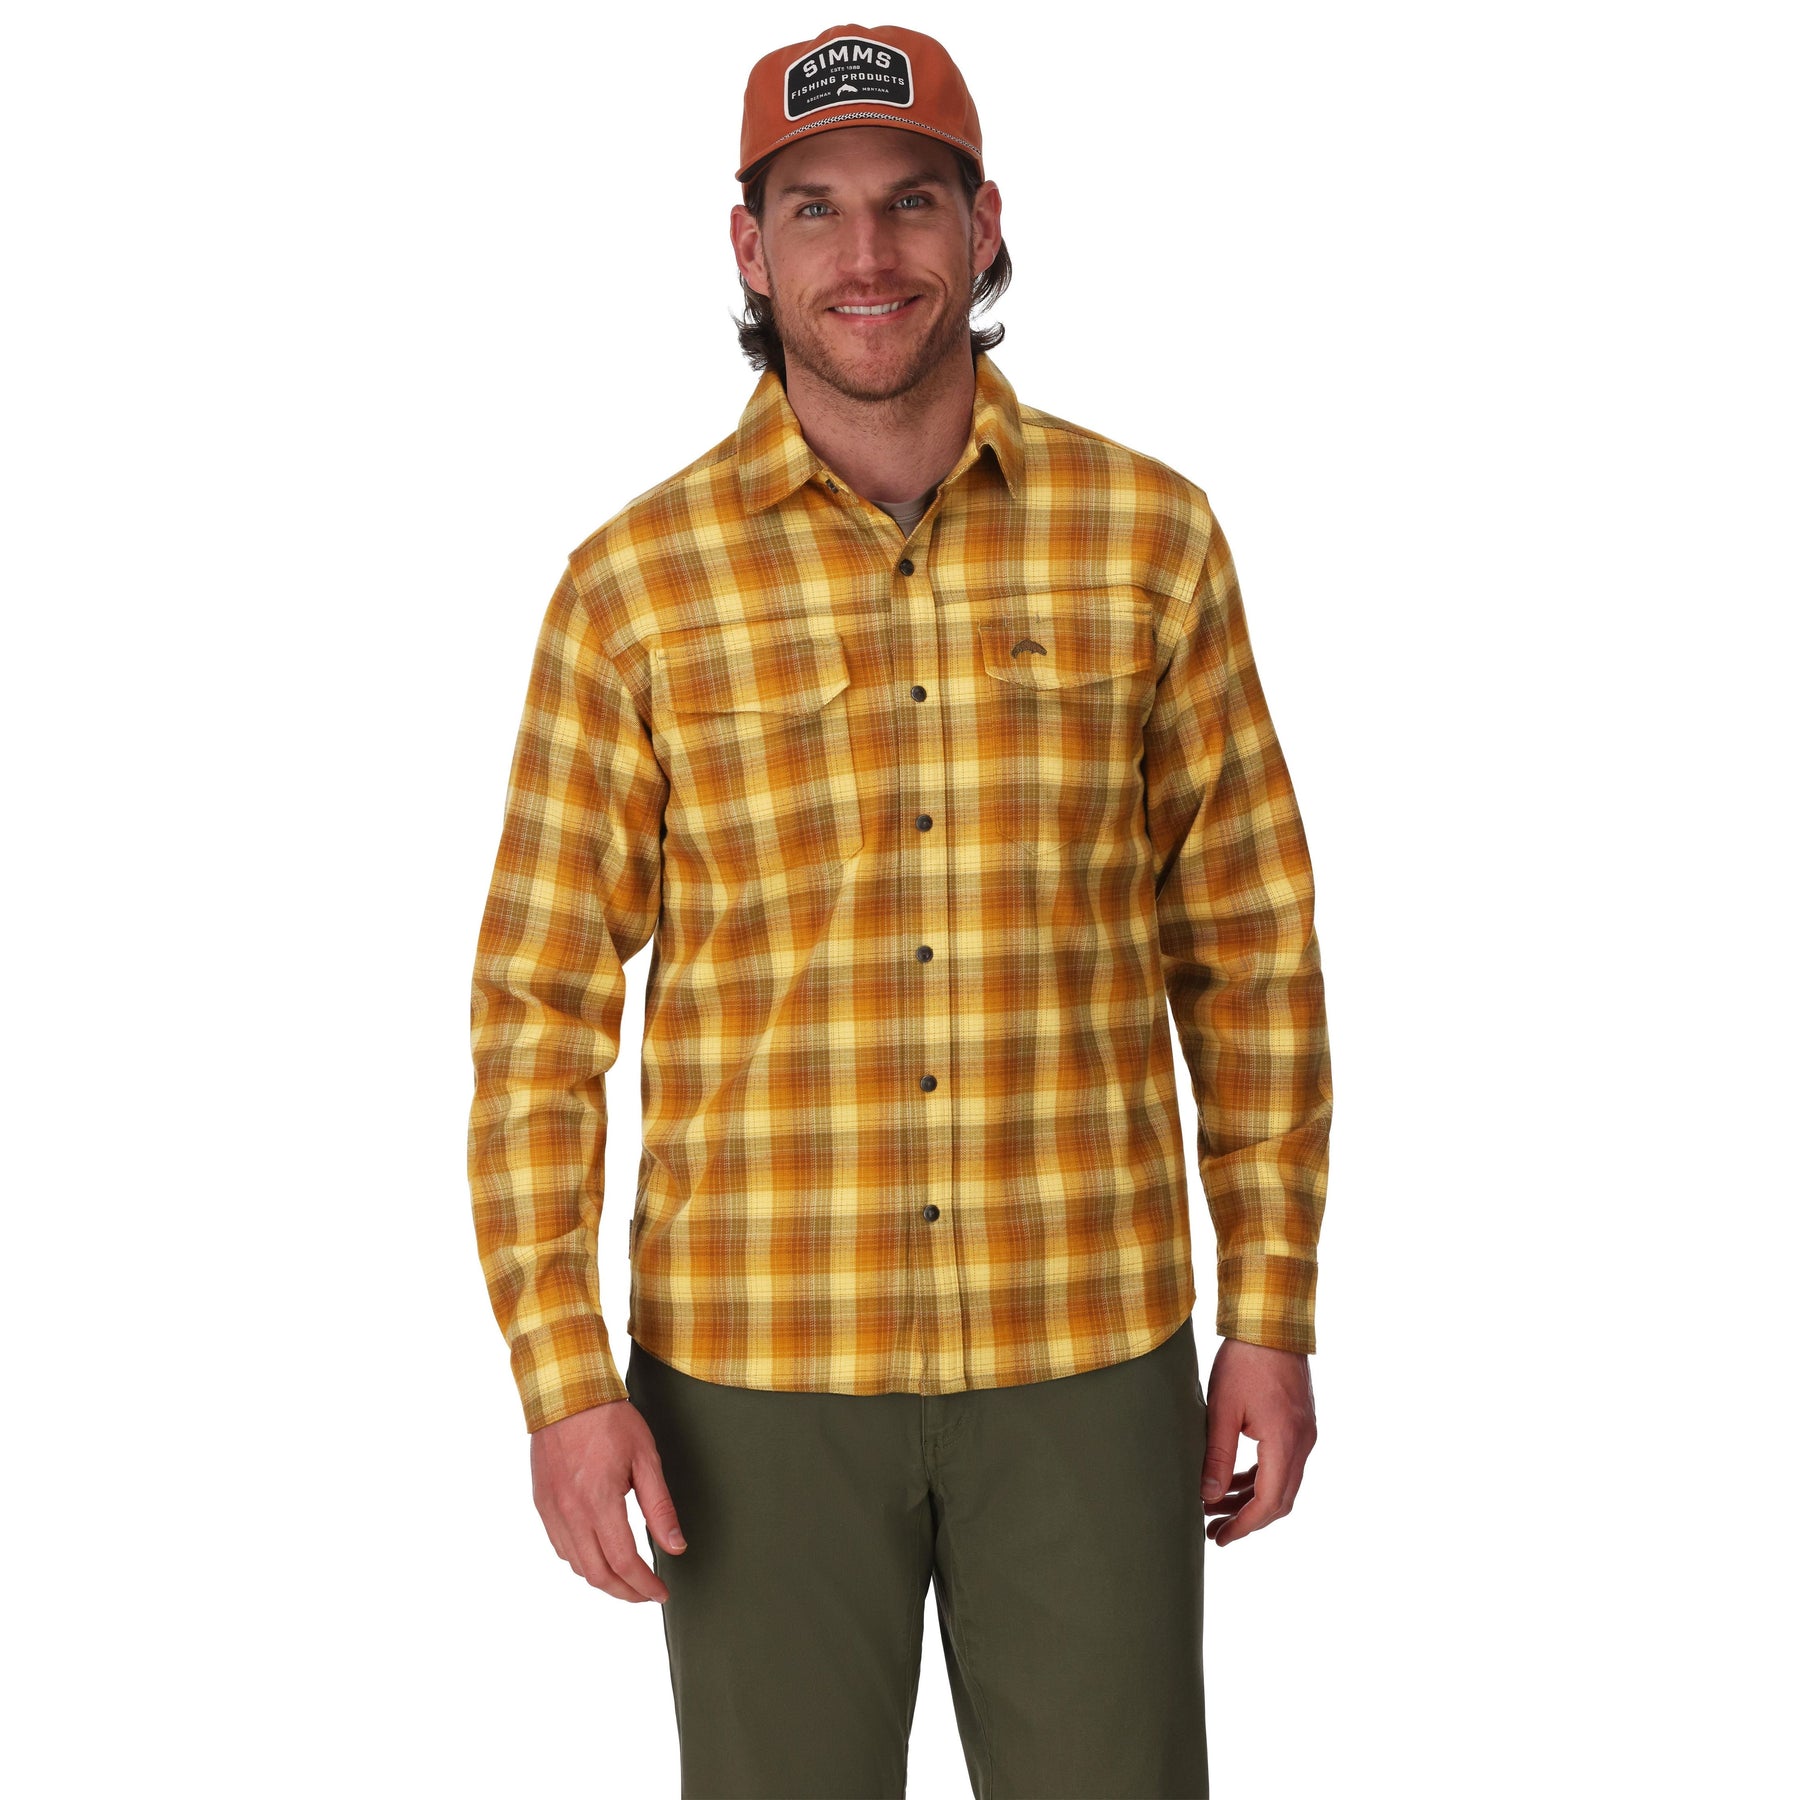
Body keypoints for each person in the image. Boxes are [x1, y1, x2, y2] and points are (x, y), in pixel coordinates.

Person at [466, 22, 1333, 1798]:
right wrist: (562, 1378)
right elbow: (536, 1005)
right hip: (751, 1375)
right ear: (748, 246)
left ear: (983, 222)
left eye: (911, 202)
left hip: (1087, 1347)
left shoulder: (1152, 539)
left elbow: (1249, 949)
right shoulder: (632, 589)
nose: (867, 254)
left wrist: (1273, 1308)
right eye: (815, 209)